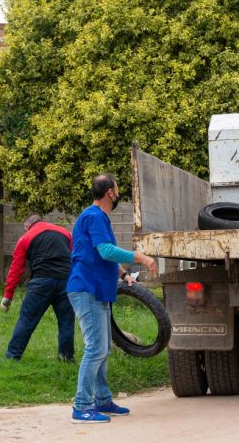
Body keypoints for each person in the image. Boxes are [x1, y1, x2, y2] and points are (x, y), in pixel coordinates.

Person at [67, 173, 158, 424]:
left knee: (102, 348)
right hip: (87, 288)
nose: (118, 193)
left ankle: (102, 400)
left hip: (97, 288)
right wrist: (139, 257)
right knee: (95, 348)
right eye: (117, 189)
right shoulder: (94, 217)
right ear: (110, 193)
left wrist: (124, 274)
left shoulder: (98, 217)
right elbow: (106, 251)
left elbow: (98, 254)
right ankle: (81, 407)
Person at [1, 213, 75, 362]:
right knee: (66, 322)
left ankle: (12, 357)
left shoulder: (26, 238)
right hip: (66, 282)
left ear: (27, 226)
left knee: (27, 320)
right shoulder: (65, 233)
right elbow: (75, 256)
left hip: (41, 283)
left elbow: (16, 269)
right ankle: (66, 359)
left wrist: (8, 296)